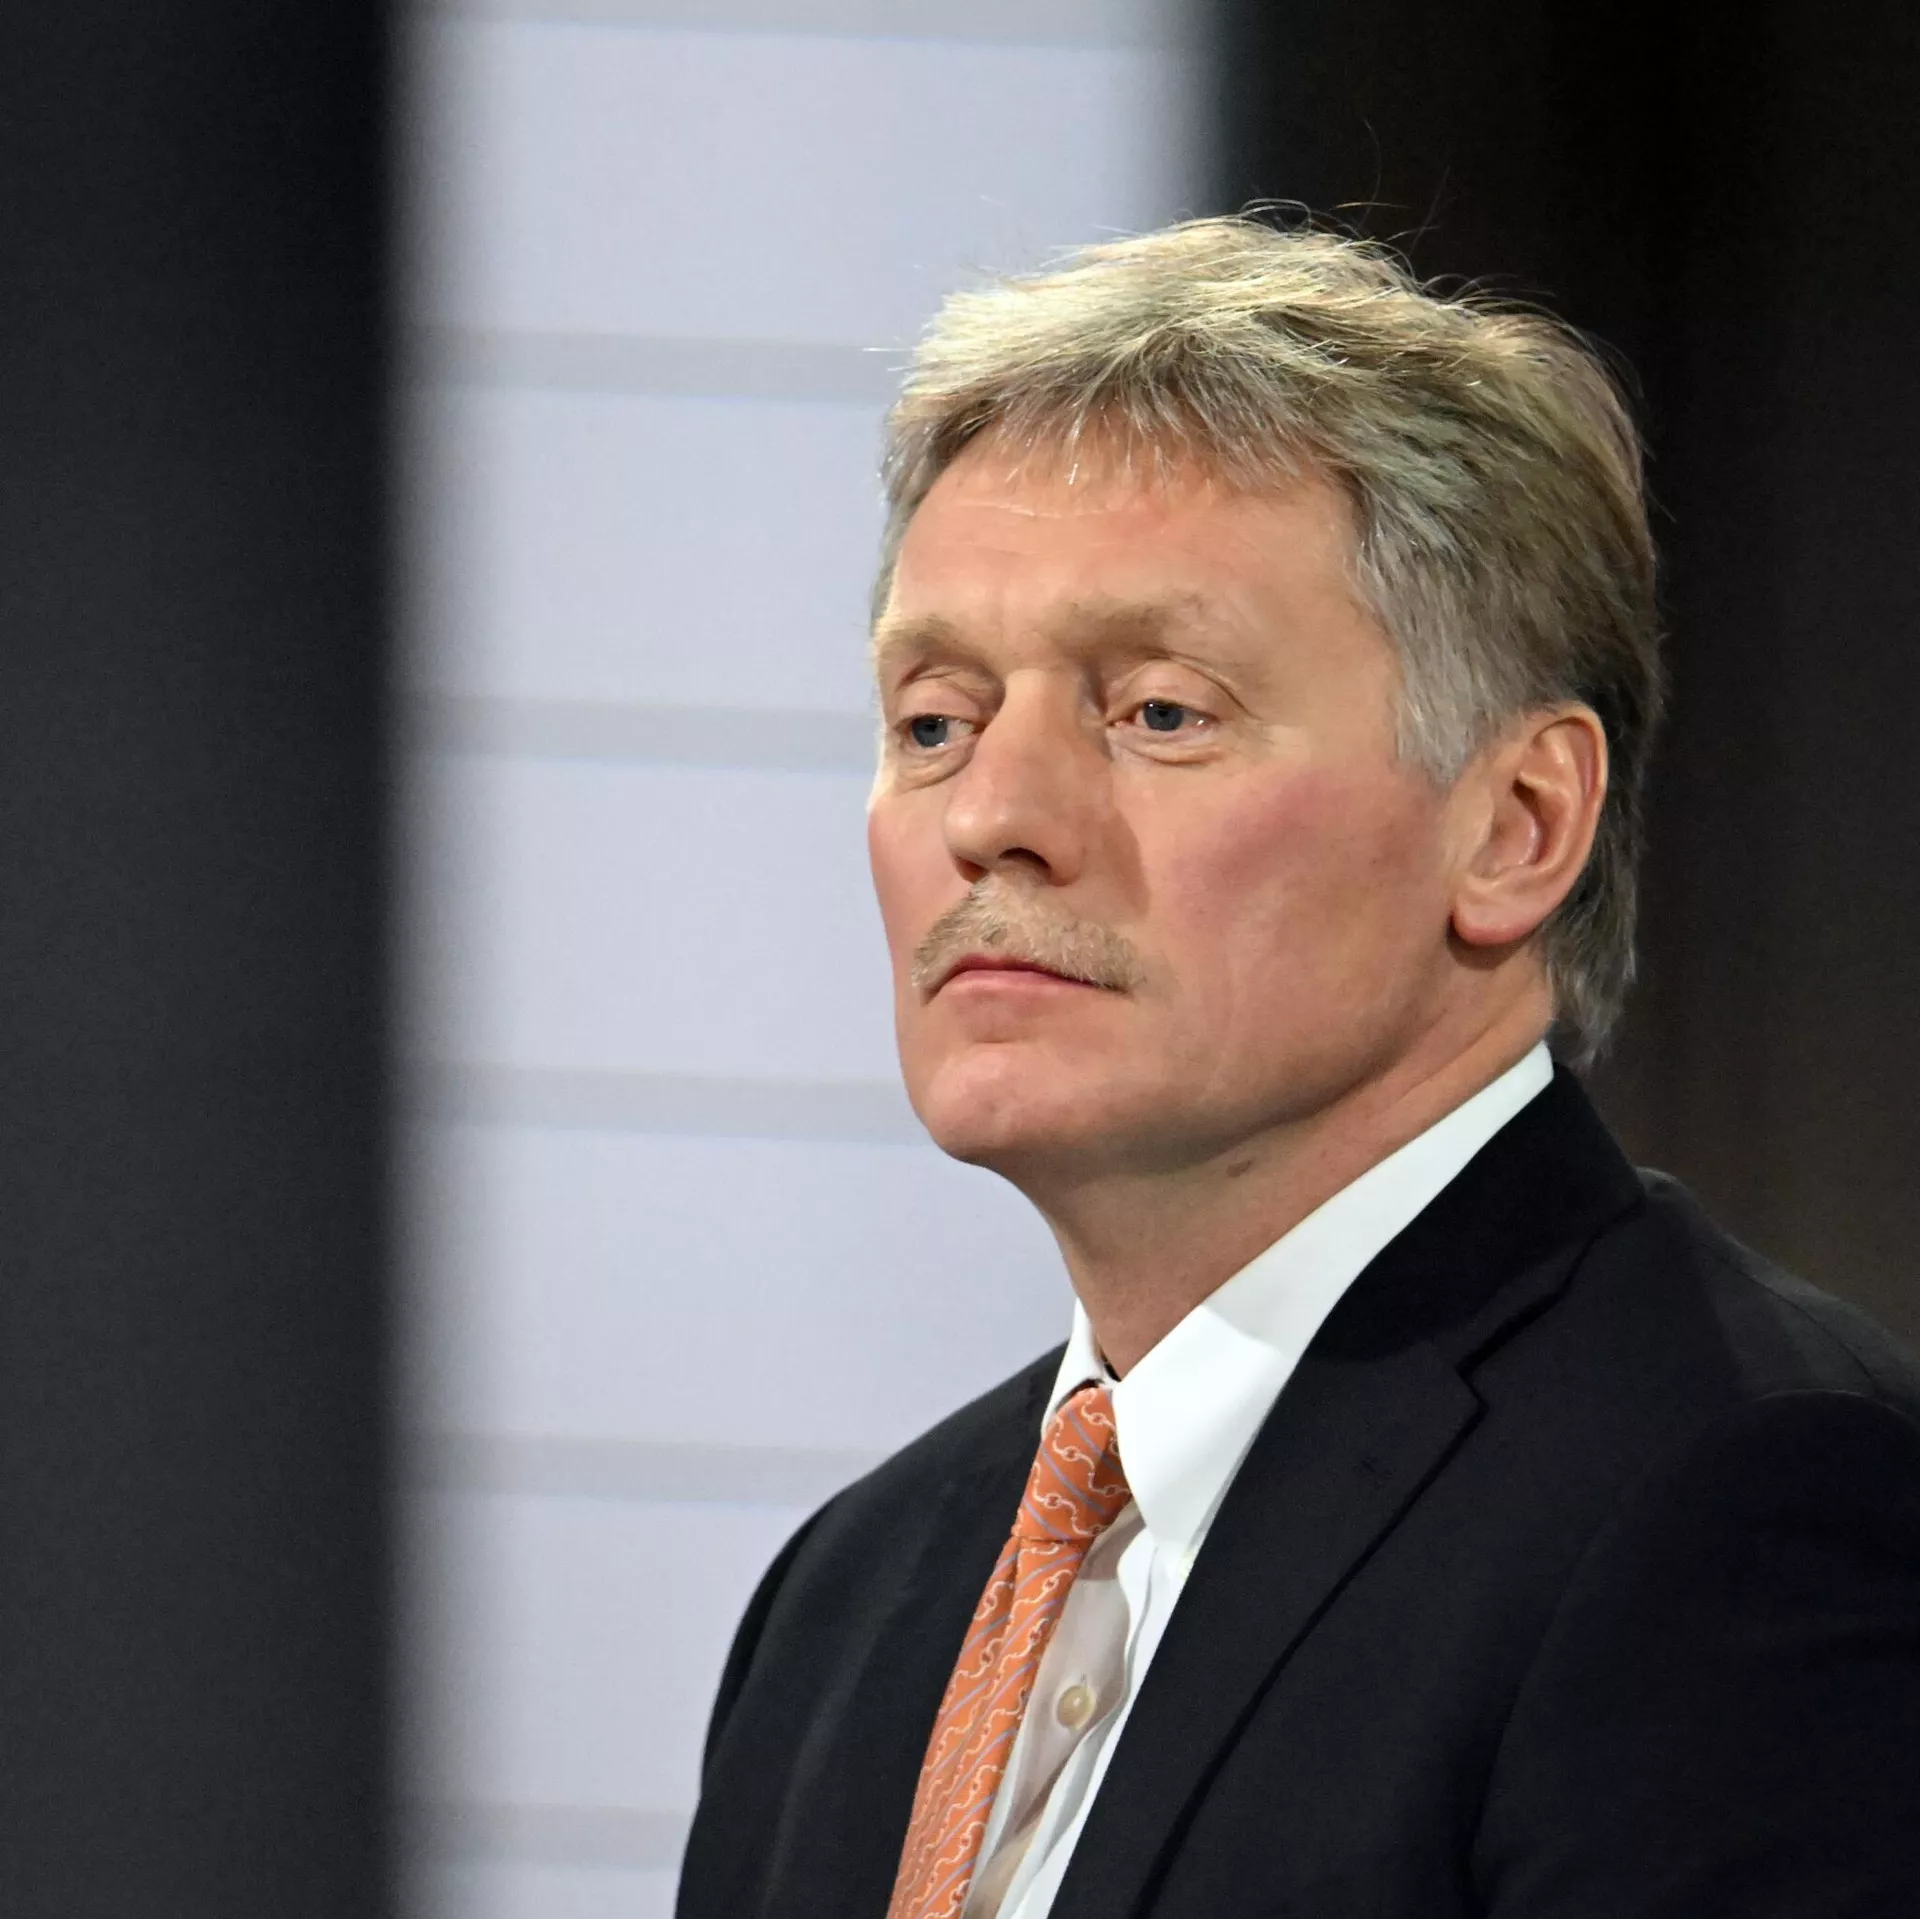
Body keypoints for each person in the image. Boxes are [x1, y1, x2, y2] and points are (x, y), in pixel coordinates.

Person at [673, 218, 1920, 1919]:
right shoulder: (852, 1596)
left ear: (1516, 823)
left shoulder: (1737, 1498)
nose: (992, 816)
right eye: (935, 721)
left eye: (1159, 711)